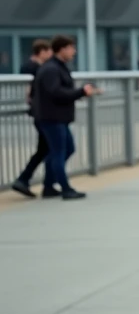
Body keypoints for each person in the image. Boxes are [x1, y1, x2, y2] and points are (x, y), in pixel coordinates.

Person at [33, 35, 98, 200]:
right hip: (52, 118)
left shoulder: (57, 67)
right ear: (62, 49)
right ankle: (65, 188)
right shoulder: (51, 69)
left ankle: (49, 185)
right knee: (58, 152)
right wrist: (81, 92)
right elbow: (55, 92)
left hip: (58, 117)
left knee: (67, 149)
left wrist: (79, 93)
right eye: (71, 48)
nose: (73, 52)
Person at [11, 39, 53, 197]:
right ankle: (26, 179)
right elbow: (30, 89)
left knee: (44, 148)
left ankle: (26, 179)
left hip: (38, 111)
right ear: (42, 51)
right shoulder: (34, 68)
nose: (50, 55)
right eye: (48, 51)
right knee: (47, 148)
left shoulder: (29, 66)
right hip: (41, 112)